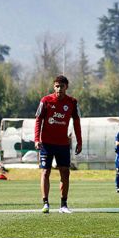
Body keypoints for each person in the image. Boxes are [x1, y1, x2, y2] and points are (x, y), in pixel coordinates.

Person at [34, 75, 82, 214]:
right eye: (56, 86)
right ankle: (45, 203)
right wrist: (37, 139)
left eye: (61, 86)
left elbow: (77, 122)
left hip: (63, 144)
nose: (59, 88)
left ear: (66, 87)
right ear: (53, 87)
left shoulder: (72, 102)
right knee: (45, 172)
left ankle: (63, 205)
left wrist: (79, 141)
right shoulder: (46, 100)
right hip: (47, 144)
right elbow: (38, 120)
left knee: (65, 173)